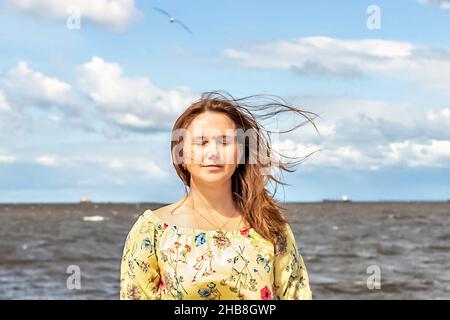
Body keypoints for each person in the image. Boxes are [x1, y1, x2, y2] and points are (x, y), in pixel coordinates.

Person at [120, 91, 320, 300]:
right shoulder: (153, 230)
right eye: (201, 142)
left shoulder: (269, 227)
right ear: (181, 156)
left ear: (240, 153)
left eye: (224, 142)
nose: (213, 152)